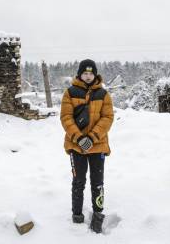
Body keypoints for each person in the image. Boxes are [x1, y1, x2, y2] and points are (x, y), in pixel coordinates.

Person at [60, 59, 114, 233]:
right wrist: (78, 138)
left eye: (91, 73)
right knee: (78, 181)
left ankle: (98, 216)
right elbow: (66, 118)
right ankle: (77, 216)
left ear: (95, 74)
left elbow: (107, 118)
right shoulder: (70, 93)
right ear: (80, 74)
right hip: (77, 147)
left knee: (97, 183)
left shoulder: (104, 94)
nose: (88, 76)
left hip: (98, 146)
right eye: (85, 73)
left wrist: (92, 137)